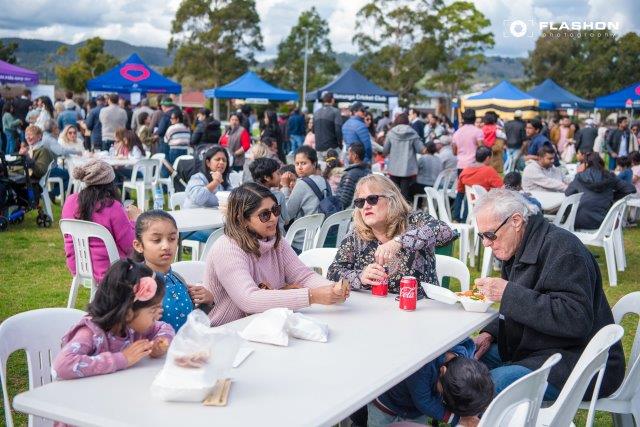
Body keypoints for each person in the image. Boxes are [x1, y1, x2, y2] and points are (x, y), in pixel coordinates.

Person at [472, 189, 625, 400]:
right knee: (466, 365)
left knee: (491, 386)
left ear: (516, 221)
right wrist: (490, 333)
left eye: (490, 235)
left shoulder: (564, 250)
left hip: (582, 360)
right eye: (482, 236)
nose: (486, 243)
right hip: (539, 349)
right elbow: (521, 311)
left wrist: (508, 292)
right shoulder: (519, 247)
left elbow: (575, 320)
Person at [204, 183, 348, 326]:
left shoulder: (275, 242)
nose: (273, 218)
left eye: (275, 210)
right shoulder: (227, 248)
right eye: (265, 214)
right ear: (241, 219)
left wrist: (333, 288)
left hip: (264, 325)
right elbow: (249, 299)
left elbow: (303, 276)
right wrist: (312, 296)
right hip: (226, 330)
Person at [327, 174, 457, 297]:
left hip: (421, 310)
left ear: (391, 200)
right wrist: (360, 276)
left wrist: (399, 241)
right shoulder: (356, 236)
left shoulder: (414, 221)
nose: (366, 206)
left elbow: (446, 232)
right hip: (373, 312)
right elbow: (333, 272)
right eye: (360, 202)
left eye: (372, 199)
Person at [52, 259, 174, 380]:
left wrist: (160, 342)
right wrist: (122, 359)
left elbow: (163, 327)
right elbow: (61, 365)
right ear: (127, 312)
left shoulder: (130, 327)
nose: (158, 315)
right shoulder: (91, 333)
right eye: (153, 311)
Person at [368, 341, 494, 427]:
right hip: (387, 403)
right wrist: (459, 419)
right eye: (442, 395)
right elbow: (424, 401)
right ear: (442, 371)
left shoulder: (463, 362)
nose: (440, 396)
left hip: (415, 411)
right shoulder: (422, 368)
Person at [133, 210, 214, 332]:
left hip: (185, 347)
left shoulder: (177, 279)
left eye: (172, 238)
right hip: (155, 349)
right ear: (139, 245)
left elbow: (190, 321)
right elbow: (126, 329)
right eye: (156, 240)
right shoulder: (136, 283)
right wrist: (145, 319)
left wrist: (207, 302)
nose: (166, 246)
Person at [61, 159, 140, 283]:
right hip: (113, 272)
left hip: (79, 268)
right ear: (110, 183)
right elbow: (131, 247)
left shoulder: (70, 201)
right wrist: (134, 220)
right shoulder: (112, 207)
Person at [565, 152, 636, 229]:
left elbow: (568, 193)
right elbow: (630, 188)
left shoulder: (579, 177)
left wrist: (612, 195)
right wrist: (612, 196)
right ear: (601, 163)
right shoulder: (610, 177)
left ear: (586, 164)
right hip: (604, 223)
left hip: (579, 221)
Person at [280, 146, 330, 251]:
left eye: (303, 163)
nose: (300, 167)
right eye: (297, 164)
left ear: (314, 163)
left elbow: (287, 215)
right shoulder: (323, 180)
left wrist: (285, 187)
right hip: (323, 237)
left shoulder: (302, 184)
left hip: (303, 241)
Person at [452, 147, 503, 222]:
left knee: (465, 196)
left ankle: (457, 219)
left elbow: (460, 193)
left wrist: (456, 216)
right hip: (485, 206)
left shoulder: (465, 171)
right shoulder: (489, 171)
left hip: (469, 205)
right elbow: (502, 188)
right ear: (488, 158)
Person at [383, 113, 425, 202]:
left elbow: (385, 150)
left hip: (393, 169)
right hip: (408, 170)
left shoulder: (391, 133)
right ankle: (405, 214)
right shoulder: (413, 133)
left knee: (394, 193)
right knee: (405, 195)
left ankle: (394, 213)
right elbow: (420, 150)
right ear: (407, 122)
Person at [249, 157, 290, 234]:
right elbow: (286, 221)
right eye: (277, 173)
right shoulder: (278, 195)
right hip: (278, 237)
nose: (280, 176)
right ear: (267, 177)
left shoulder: (249, 196)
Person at [184, 145, 231, 210]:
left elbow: (232, 196)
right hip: (193, 216)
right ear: (208, 163)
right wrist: (215, 182)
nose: (221, 162)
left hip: (212, 217)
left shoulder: (224, 181)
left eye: (224, 160)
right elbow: (198, 198)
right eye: (217, 159)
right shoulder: (197, 178)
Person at [336, 142, 371, 209]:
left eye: (349, 154)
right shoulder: (368, 171)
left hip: (350, 213)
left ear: (355, 156)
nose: (347, 157)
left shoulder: (350, 175)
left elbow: (344, 200)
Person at [313, 91, 342, 161]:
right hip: (332, 147)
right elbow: (338, 130)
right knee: (337, 168)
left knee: (322, 170)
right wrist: (340, 143)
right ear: (332, 100)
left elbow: (313, 130)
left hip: (318, 147)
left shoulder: (316, 112)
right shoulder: (335, 111)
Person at [452, 109, 484, 174]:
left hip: (460, 166)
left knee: (461, 184)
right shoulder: (478, 131)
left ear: (463, 119)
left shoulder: (457, 133)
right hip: (474, 165)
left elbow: (454, 152)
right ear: (474, 119)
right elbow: (481, 149)